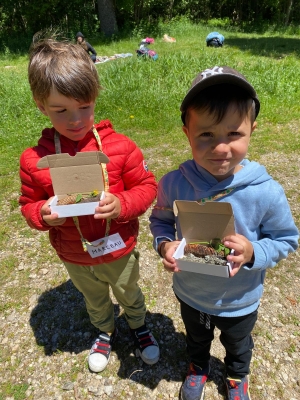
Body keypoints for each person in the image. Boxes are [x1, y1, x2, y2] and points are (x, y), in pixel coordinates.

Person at [149, 66, 299, 400]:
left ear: (252, 130)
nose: (221, 148)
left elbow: (286, 239)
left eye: (233, 134)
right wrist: (164, 246)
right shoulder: (173, 184)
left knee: (238, 343)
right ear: (187, 132)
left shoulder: (266, 191)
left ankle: (235, 376)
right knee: (196, 338)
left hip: (241, 300)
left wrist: (252, 252)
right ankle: (198, 367)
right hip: (191, 292)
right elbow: (159, 221)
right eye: (206, 135)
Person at [20, 38, 160, 373]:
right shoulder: (35, 161)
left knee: (128, 290)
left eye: (85, 106)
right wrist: (41, 214)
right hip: (74, 252)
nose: (75, 119)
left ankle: (138, 324)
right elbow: (28, 203)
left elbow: (147, 185)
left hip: (118, 248)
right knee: (94, 297)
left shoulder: (121, 148)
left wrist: (122, 203)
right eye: (61, 110)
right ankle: (104, 329)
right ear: (41, 105)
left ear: (94, 97)